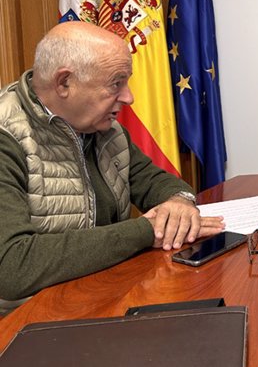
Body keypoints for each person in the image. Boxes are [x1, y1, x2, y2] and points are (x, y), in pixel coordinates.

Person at [0, 22, 225, 309]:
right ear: (64, 83)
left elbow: (154, 180)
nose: (129, 97)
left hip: (102, 295)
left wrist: (179, 201)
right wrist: (145, 231)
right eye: (116, 84)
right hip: (29, 323)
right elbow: (12, 266)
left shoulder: (105, 129)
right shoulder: (7, 136)